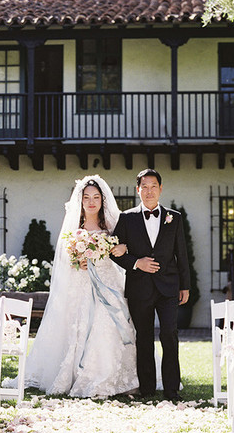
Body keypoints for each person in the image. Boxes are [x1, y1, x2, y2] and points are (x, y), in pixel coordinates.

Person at [17, 175, 139, 397]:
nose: (91, 202)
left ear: (102, 200)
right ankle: (78, 374)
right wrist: (78, 260)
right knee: (79, 324)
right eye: (87, 198)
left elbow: (124, 248)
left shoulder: (112, 225)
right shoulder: (75, 228)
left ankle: (116, 376)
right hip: (81, 284)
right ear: (80, 201)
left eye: (96, 197)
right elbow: (64, 258)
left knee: (113, 324)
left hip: (108, 283)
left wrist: (122, 248)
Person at [112, 169, 190, 402]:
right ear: (138, 190)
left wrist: (185, 286)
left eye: (153, 186)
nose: (148, 191)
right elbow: (114, 252)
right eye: (144, 187)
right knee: (143, 337)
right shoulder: (127, 218)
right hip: (139, 288)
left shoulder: (173, 217)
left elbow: (182, 254)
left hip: (168, 287)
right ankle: (147, 389)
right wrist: (137, 263)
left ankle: (171, 389)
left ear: (160, 189)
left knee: (169, 334)